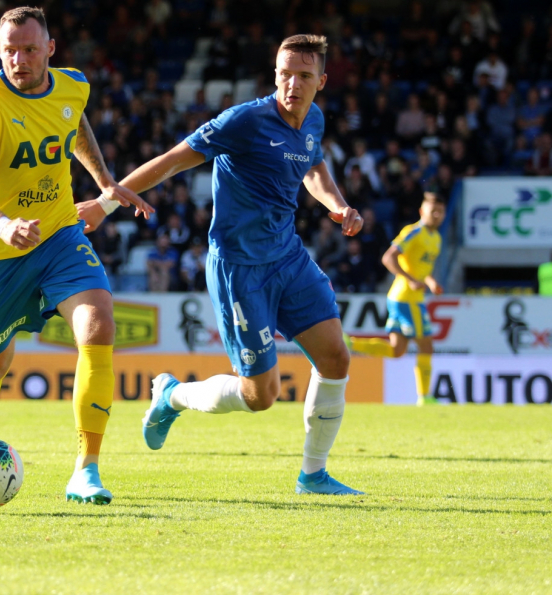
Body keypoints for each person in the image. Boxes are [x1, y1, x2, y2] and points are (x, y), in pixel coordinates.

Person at [88, 34, 365, 495]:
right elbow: (174, 160)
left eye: (303, 76)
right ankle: (172, 395)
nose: (291, 84)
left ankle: (313, 475)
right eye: (284, 74)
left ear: (322, 81)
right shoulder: (244, 121)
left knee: (336, 356)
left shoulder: (312, 119)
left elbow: (312, 166)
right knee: (262, 396)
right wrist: (105, 202)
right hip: (240, 269)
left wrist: (336, 205)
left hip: (288, 258)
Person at [0, 7, 151, 505]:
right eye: (8, 50)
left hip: (60, 233)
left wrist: (104, 180)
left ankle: (87, 469)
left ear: (50, 48)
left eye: (28, 49)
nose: (17, 60)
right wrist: (2, 224)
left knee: (99, 325)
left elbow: (75, 124)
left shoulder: (73, 85)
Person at [346, 192, 446, 406]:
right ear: (422, 211)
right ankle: (425, 397)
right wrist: (410, 280)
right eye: (432, 211)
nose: (436, 215)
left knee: (396, 350)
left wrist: (429, 282)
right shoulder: (414, 232)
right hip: (407, 298)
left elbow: (421, 268)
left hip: (403, 298)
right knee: (426, 346)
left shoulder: (436, 238)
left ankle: (350, 344)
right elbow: (388, 257)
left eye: (440, 212)